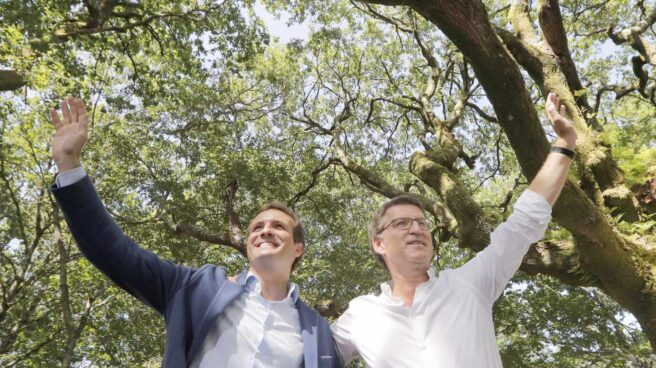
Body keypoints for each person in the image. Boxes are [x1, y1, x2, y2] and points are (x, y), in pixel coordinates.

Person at [49, 97, 340, 368]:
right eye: (257, 227)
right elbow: (114, 252)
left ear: (298, 249)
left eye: (278, 227)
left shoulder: (319, 331)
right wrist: (69, 166)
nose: (265, 231)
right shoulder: (194, 287)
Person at [331, 93, 577, 367]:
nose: (416, 229)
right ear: (379, 244)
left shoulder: (471, 283)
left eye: (422, 223)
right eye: (401, 223)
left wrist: (565, 143)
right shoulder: (360, 315)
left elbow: (524, 222)